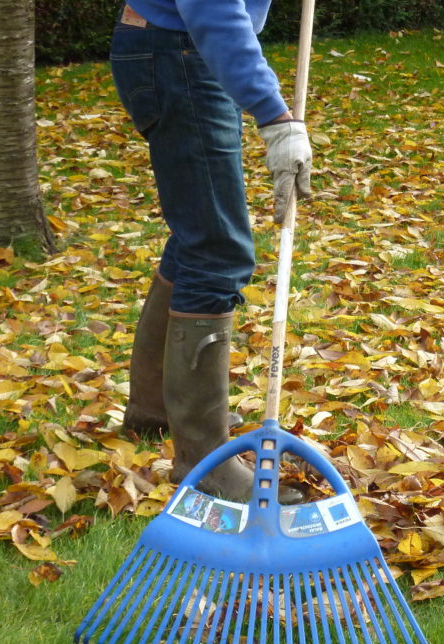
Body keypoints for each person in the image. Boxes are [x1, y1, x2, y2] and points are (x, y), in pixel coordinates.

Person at [110, 1, 311, 504]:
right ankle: (203, 462)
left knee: (199, 238)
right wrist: (276, 118)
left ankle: (154, 409)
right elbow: (213, 11)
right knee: (217, 253)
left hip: (178, 48)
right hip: (179, 52)